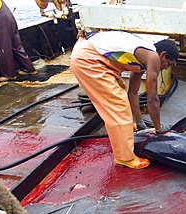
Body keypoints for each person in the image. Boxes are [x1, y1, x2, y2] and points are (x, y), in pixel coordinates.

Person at [71, 30, 179, 169]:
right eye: (168, 63)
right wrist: (159, 128)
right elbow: (152, 99)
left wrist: (140, 122)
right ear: (162, 54)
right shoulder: (152, 57)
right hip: (88, 58)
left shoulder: (143, 57)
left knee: (121, 91)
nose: (166, 67)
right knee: (118, 105)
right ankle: (125, 157)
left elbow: (133, 93)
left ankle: (126, 128)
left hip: (96, 58)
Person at [0, 0, 37, 82]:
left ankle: (8, 75)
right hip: (9, 18)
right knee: (16, 46)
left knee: (3, 48)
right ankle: (29, 69)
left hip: (1, 20)